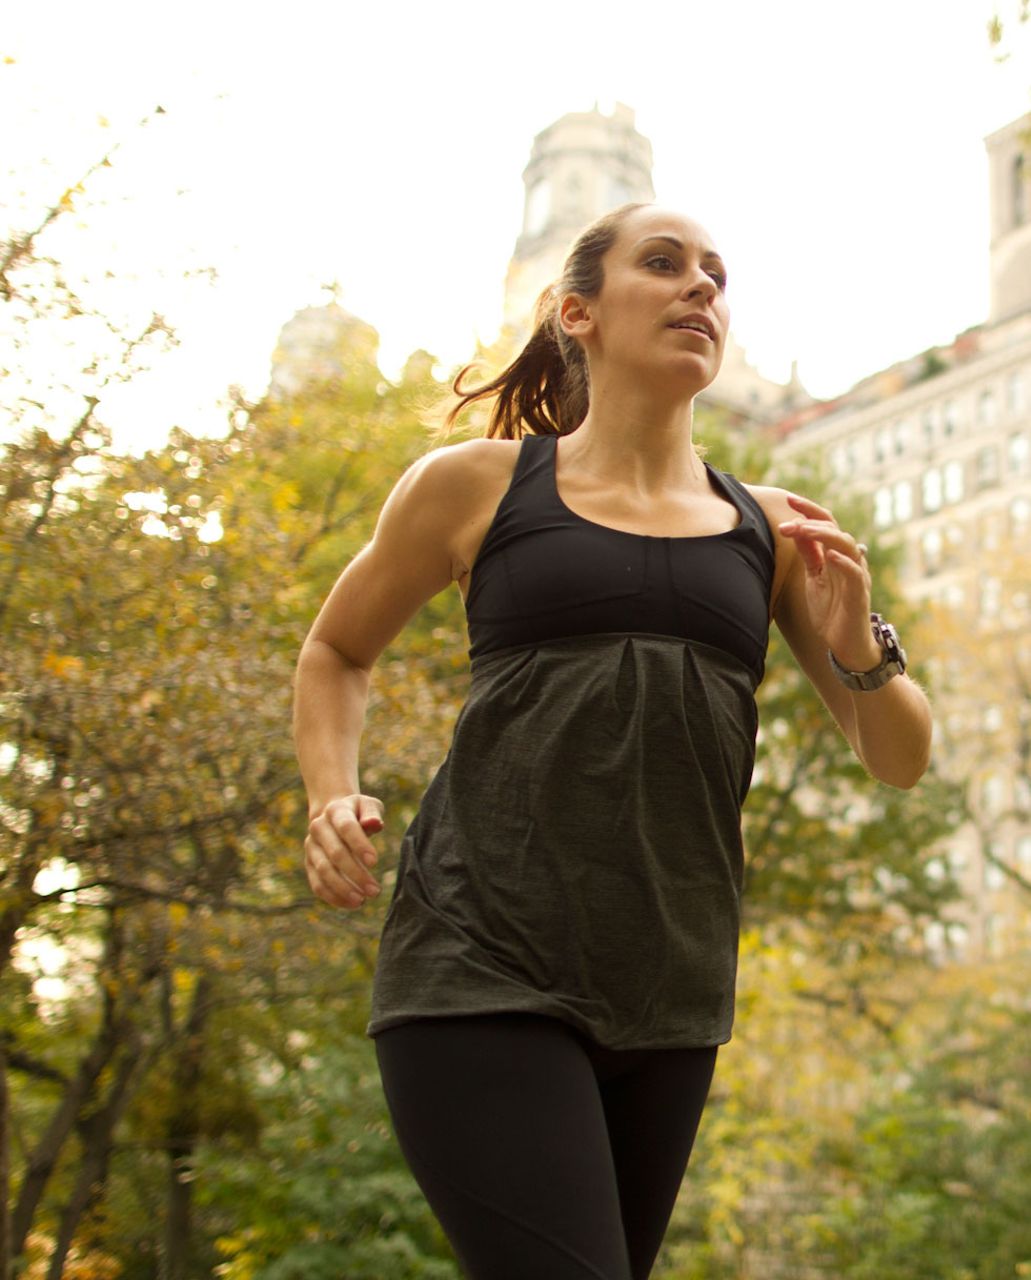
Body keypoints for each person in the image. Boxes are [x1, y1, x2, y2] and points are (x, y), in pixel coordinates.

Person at [293, 203, 933, 1280]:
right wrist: (327, 793)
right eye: (664, 263)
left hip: (669, 994)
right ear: (574, 313)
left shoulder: (773, 528)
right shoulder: (477, 485)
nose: (700, 288)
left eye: (714, 275)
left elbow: (899, 755)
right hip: (478, 962)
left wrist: (855, 644)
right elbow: (334, 650)